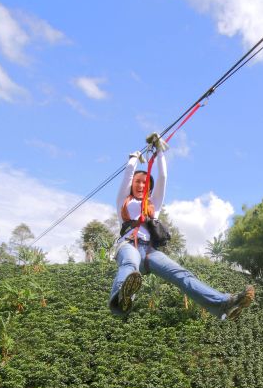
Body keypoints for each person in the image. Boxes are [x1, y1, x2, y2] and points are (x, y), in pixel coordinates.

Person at [108, 133, 254, 320]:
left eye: (145, 183)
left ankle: (224, 305)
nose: (141, 185)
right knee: (130, 262)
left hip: (150, 252)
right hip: (128, 244)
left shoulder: (153, 205)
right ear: (131, 185)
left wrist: (160, 151)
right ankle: (121, 298)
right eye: (137, 181)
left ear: (149, 189)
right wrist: (134, 159)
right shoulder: (123, 201)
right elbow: (128, 174)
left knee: (181, 274)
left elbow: (163, 177)